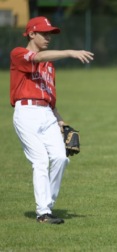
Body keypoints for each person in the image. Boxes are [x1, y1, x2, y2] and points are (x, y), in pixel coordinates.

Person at [9, 16, 94, 224]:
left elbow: (49, 98)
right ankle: (43, 212)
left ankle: (48, 205)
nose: (48, 37)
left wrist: (60, 121)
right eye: (44, 33)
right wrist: (70, 52)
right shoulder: (18, 53)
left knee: (60, 158)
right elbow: (35, 58)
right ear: (31, 34)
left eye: (50, 34)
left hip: (47, 114)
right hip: (26, 112)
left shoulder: (49, 66)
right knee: (40, 161)